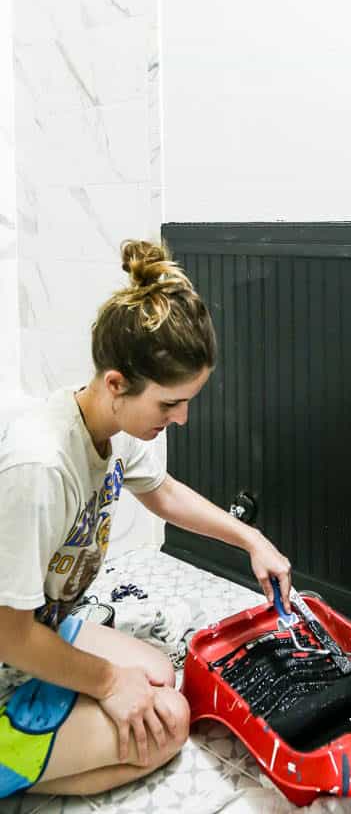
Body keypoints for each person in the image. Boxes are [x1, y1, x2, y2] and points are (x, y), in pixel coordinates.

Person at [0, 239, 292, 798]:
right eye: (168, 405)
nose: (181, 419)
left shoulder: (105, 424)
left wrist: (251, 538)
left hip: (38, 625)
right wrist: (108, 683)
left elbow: (163, 492)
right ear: (115, 383)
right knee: (168, 726)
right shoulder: (39, 467)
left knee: (160, 675)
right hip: (11, 639)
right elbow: (7, 633)